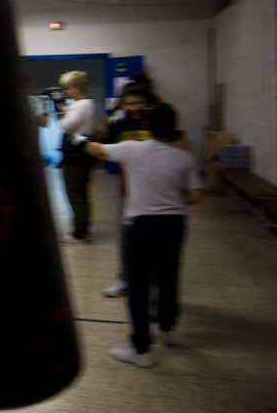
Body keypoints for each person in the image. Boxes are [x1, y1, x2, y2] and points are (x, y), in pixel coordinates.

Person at [78, 102, 203, 368]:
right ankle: (166, 329)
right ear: (174, 127)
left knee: (138, 284)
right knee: (168, 277)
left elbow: (96, 149)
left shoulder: (134, 148)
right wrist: (168, 193)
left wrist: (79, 139)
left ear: (147, 126)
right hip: (174, 224)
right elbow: (194, 197)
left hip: (141, 225)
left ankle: (141, 349)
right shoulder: (184, 157)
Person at [100, 83, 158, 298]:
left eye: (139, 102)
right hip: (126, 189)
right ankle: (125, 280)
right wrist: (107, 123)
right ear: (122, 104)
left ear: (148, 102)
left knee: (150, 240)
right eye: (129, 103)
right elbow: (103, 146)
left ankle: (152, 283)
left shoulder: (155, 123)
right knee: (125, 238)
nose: (134, 107)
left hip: (152, 191)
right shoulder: (118, 125)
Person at [57, 70, 98, 243]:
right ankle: (83, 228)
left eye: (67, 88)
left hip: (75, 154)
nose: (65, 92)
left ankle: (79, 233)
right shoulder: (87, 104)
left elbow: (64, 126)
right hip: (82, 151)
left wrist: (61, 112)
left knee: (75, 194)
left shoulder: (79, 106)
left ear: (77, 87)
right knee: (81, 193)